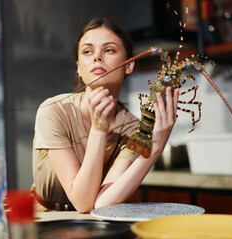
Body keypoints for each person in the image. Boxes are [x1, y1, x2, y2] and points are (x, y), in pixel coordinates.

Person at [32, 17, 180, 213]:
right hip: (43, 218)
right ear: (78, 66)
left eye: (109, 50)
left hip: (96, 221)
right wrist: (99, 130)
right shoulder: (54, 110)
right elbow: (83, 202)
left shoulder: (132, 129)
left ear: (129, 65)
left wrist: (154, 149)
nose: (97, 57)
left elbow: (102, 204)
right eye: (87, 51)